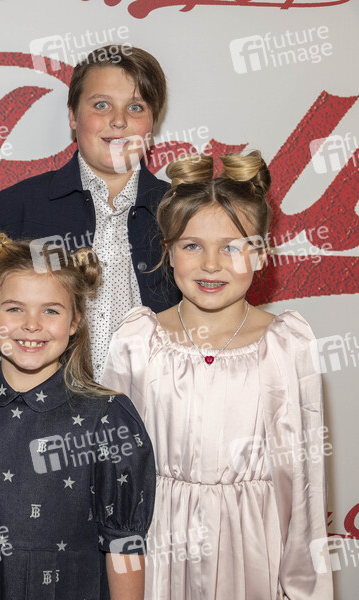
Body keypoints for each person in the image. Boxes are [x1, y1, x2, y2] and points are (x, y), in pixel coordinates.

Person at [101, 152, 333, 599]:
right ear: (168, 252)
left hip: (253, 554)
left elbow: (304, 487)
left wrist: (305, 589)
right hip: (158, 550)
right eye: (192, 245)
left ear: (260, 255)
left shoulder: (286, 345)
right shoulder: (137, 341)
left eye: (232, 247)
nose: (211, 264)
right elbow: (113, 476)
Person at [0, 233, 156, 600]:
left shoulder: (108, 418)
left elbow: (124, 542)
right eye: (14, 308)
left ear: (75, 321)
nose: (32, 324)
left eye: (51, 310)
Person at [0, 45, 180, 381]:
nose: (119, 120)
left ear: (153, 121)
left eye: (135, 107)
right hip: (38, 409)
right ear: (73, 116)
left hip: (156, 406)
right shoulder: (19, 206)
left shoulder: (180, 211)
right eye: (101, 105)